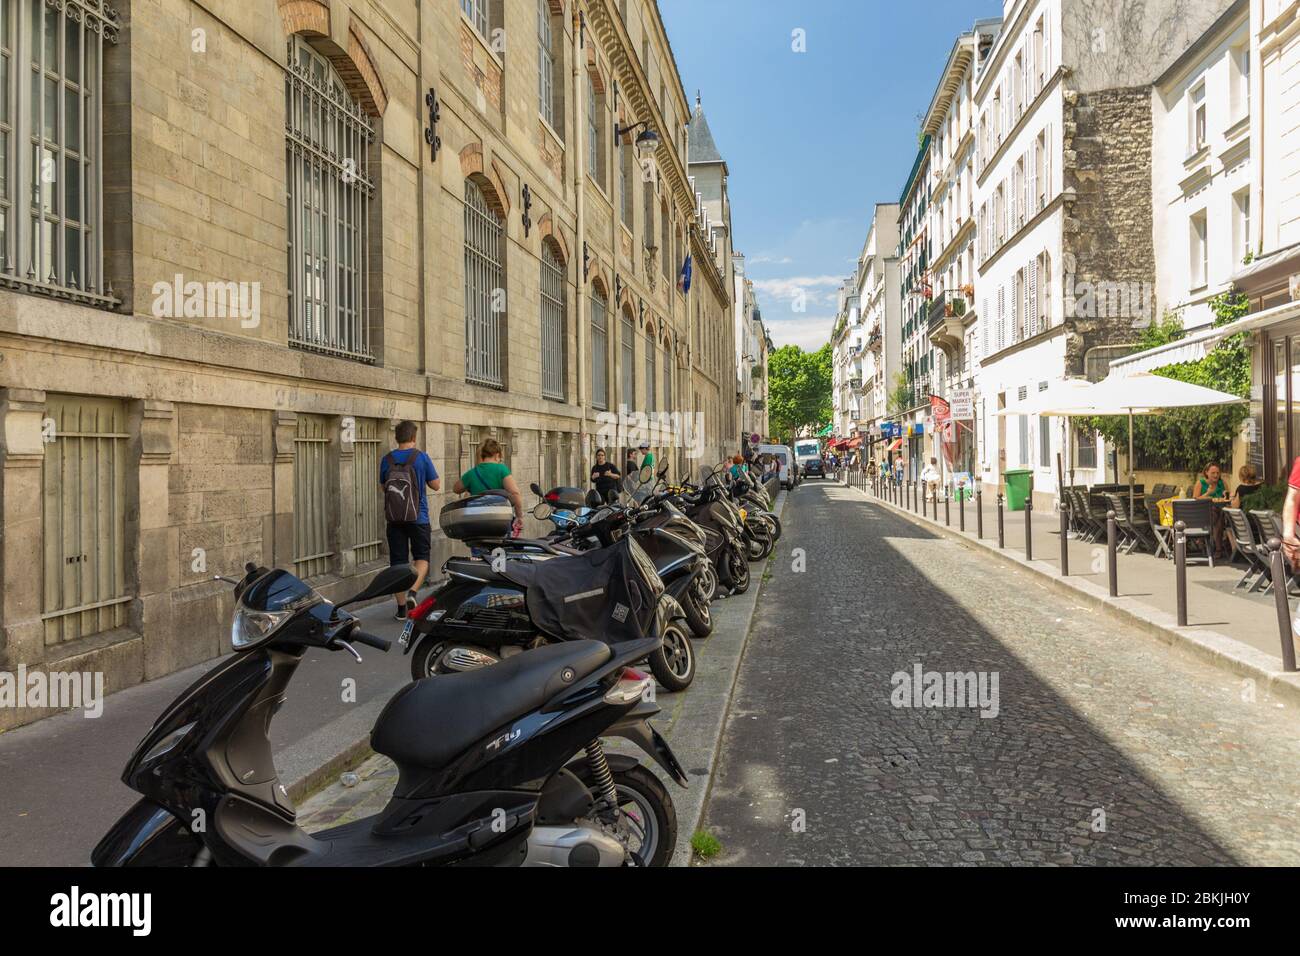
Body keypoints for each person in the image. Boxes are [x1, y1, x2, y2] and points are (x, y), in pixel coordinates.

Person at [379, 420, 441, 620]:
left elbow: (383, 487)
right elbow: (436, 485)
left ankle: (401, 609)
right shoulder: (421, 457)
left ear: (397, 437)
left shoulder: (386, 459)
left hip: (394, 519)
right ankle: (413, 592)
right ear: (413, 437)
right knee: (422, 557)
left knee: (398, 563)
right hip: (418, 517)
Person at [453, 437, 525, 538]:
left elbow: (456, 489)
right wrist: (519, 516)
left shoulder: (472, 473)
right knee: (500, 552)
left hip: (476, 523)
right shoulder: (501, 469)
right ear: (497, 455)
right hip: (499, 522)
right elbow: (515, 493)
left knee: (479, 552)